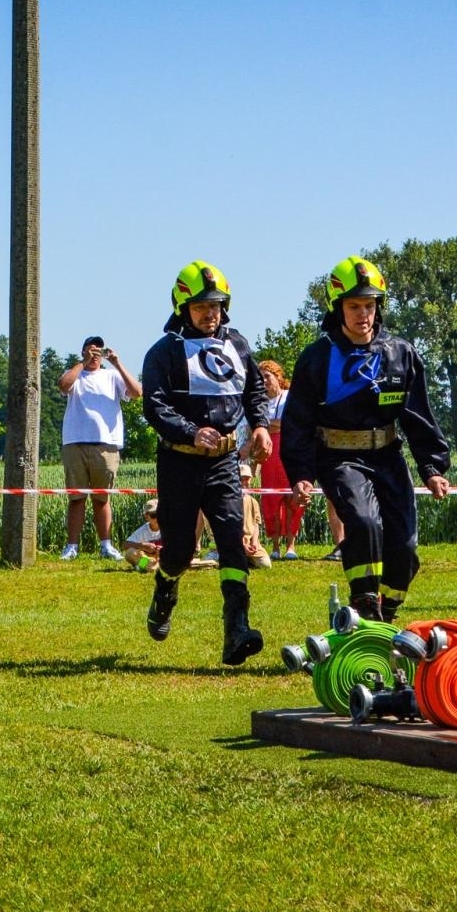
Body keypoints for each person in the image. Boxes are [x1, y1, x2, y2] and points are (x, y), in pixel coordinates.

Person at [283, 255, 451, 623]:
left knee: (405, 548)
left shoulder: (400, 353)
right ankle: (363, 601)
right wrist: (301, 474)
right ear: (336, 308)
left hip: (388, 456)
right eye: (354, 306)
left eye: (370, 305)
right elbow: (297, 422)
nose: (363, 314)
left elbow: (418, 415)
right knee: (363, 523)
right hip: (338, 457)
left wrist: (432, 467)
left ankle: (385, 617)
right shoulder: (316, 358)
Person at [140, 259, 272, 664]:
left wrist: (262, 426)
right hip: (180, 462)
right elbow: (154, 406)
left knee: (234, 542)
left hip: (224, 463)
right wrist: (189, 431)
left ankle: (236, 629)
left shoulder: (239, 345)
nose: (209, 314)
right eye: (200, 306)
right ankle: (166, 585)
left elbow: (254, 393)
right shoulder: (163, 353)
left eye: (215, 305)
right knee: (179, 551)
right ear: (182, 307)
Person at [59, 334, 142, 560]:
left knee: (102, 498)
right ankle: (71, 546)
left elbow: (136, 393)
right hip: (75, 443)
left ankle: (106, 545)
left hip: (106, 444)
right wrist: (82, 363)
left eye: (99, 352)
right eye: (90, 351)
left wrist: (117, 363)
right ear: (83, 352)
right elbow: (63, 386)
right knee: (76, 498)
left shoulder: (112, 376)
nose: (95, 355)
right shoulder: (75, 374)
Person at [252, 359, 304, 559]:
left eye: (267, 376)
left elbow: (293, 423)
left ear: (278, 377)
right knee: (271, 501)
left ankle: (291, 546)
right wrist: (274, 425)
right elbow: (254, 428)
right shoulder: (258, 402)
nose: (264, 381)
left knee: (293, 500)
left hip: (290, 452)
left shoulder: (290, 397)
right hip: (269, 456)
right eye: (261, 377)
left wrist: (269, 425)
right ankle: (274, 546)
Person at [238, 461, 273, 570]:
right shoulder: (229, 501)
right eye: (241, 479)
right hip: (235, 542)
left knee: (266, 565)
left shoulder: (253, 502)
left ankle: (248, 558)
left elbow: (256, 524)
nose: (244, 482)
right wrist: (242, 544)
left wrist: (254, 542)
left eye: (246, 479)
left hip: (250, 542)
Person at [123, 498, 162, 571]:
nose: (158, 518)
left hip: (163, 557)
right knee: (130, 553)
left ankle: (146, 566)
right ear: (146, 517)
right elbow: (125, 545)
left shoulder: (169, 527)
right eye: (154, 515)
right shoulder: (143, 530)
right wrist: (141, 545)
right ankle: (150, 565)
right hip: (148, 557)